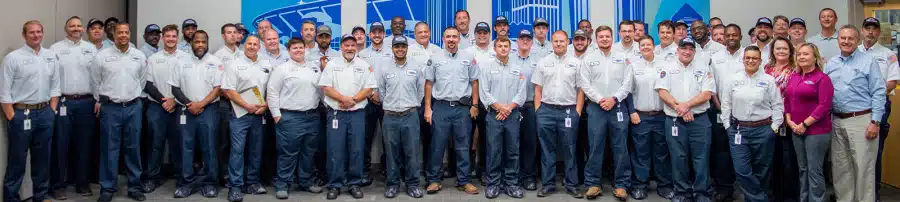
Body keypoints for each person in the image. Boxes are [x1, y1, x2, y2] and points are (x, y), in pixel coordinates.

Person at [826, 24, 886, 202]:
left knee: (864, 169)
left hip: (862, 121)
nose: (846, 41)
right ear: (838, 41)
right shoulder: (832, 63)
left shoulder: (868, 61)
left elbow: (879, 92)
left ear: (858, 40)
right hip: (837, 121)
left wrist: (875, 122)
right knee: (840, 169)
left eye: (850, 38)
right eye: (843, 38)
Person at [1, 20, 60, 202]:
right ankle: (11, 198)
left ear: (43, 33)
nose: (36, 35)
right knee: (17, 162)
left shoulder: (50, 56)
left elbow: (55, 87)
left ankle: (40, 196)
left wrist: (51, 111)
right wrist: (12, 115)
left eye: (39, 32)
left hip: (45, 114)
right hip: (21, 115)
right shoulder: (13, 58)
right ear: (24, 35)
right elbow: (4, 91)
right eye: (31, 32)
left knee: (42, 160)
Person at [91, 22, 148, 202]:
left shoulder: (138, 56)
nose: (123, 35)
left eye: (126, 32)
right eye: (119, 32)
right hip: (111, 108)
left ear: (129, 34)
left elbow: (142, 80)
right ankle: (107, 188)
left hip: (133, 107)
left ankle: (134, 187)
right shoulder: (102, 56)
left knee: (133, 148)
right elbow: (95, 82)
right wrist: (103, 100)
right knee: (109, 149)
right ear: (114, 35)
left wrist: (132, 96)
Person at [719, 46, 783, 202]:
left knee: (762, 170)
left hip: (763, 130)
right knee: (741, 170)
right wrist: (728, 126)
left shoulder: (768, 80)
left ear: (760, 61)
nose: (751, 61)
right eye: (748, 57)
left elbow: (777, 106)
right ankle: (761, 199)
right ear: (743, 59)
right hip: (738, 131)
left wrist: (774, 127)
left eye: (754, 58)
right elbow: (725, 105)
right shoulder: (732, 80)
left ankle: (753, 199)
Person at [655, 37, 716, 202]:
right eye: (684, 48)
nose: (687, 52)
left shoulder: (704, 68)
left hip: (700, 121)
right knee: (678, 157)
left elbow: (707, 93)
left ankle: (702, 193)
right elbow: (662, 91)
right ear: (678, 50)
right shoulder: (666, 68)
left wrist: (687, 105)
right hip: (675, 121)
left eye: (690, 49)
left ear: (695, 52)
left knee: (701, 158)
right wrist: (679, 108)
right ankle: (682, 192)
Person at [318, 34, 377, 200]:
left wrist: (354, 100)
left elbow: (369, 88)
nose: (350, 48)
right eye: (346, 45)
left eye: (352, 45)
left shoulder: (364, 65)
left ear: (356, 47)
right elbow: (326, 88)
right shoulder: (332, 64)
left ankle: (354, 183)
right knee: (335, 149)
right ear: (341, 47)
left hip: (357, 114)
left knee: (356, 149)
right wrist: (343, 99)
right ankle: (335, 185)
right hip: (336, 113)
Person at [423, 26, 480, 195]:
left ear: (459, 39)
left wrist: (475, 105)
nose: (451, 39)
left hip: (462, 108)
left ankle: (464, 180)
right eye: (448, 36)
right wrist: (427, 108)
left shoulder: (469, 58)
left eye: (454, 36)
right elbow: (428, 84)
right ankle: (434, 180)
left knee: (463, 146)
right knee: (437, 145)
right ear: (443, 39)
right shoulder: (435, 58)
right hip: (440, 107)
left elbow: (475, 82)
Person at [580, 24, 634, 200]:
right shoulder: (589, 59)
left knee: (620, 147)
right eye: (601, 36)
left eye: (607, 36)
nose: (604, 39)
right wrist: (600, 99)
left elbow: (628, 83)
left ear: (612, 38)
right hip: (597, 108)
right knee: (595, 146)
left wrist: (614, 99)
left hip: (617, 106)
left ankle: (621, 185)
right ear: (596, 39)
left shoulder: (623, 58)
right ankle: (593, 184)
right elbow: (585, 84)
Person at [267, 37, 325, 199]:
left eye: (301, 47)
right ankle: (283, 184)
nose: (298, 50)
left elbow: (321, 91)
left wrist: (330, 106)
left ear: (305, 49)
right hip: (290, 117)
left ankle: (305, 181)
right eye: (295, 48)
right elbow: (272, 92)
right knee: (288, 153)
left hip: (312, 117)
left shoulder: (313, 68)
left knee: (309, 152)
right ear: (289, 50)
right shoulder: (282, 69)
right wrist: (277, 115)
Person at [169, 30, 223, 198]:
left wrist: (201, 104)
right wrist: (189, 104)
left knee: (209, 147)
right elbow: (175, 88)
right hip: (187, 110)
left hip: (209, 110)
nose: (200, 45)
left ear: (207, 43)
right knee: (186, 147)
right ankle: (186, 183)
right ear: (191, 43)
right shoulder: (180, 61)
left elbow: (218, 88)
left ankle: (210, 183)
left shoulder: (215, 62)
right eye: (197, 42)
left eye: (203, 42)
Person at [49, 16, 98, 199]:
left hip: (86, 102)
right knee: (60, 144)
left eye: (78, 26)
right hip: (63, 102)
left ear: (83, 29)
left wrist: (98, 99)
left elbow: (97, 77)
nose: (76, 28)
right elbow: (51, 77)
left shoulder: (90, 49)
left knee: (84, 144)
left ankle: (82, 183)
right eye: (72, 26)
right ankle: (58, 185)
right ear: (66, 28)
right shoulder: (56, 49)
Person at [533, 30, 585, 199]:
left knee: (570, 149)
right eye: (555, 41)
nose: (559, 44)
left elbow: (580, 90)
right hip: (546, 111)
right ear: (552, 42)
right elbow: (537, 89)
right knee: (547, 150)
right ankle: (548, 185)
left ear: (567, 42)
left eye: (562, 41)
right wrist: (538, 111)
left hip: (569, 111)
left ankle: (571, 184)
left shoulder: (576, 63)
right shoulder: (543, 62)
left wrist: (577, 112)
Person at [374, 35, 426, 199]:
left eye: (403, 46)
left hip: (410, 115)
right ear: (393, 48)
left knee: (412, 153)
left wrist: (412, 104)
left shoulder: (416, 67)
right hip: (390, 117)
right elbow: (381, 91)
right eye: (397, 47)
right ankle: (393, 184)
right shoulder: (384, 68)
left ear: (407, 48)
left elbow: (421, 91)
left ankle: (413, 184)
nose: (400, 49)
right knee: (391, 153)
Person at [223, 35, 270, 202]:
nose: (251, 46)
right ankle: (235, 186)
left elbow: (269, 88)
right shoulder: (234, 64)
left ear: (259, 46)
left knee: (256, 149)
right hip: (239, 114)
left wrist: (265, 105)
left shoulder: (266, 64)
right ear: (244, 46)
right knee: (237, 150)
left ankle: (252, 182)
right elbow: (229, 90)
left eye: (255, 44)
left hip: (259, 114)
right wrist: (246, 105)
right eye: (249, 43)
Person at [627, 36, 674, 200]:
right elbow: (628, 91)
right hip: (641, 117)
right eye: (642, 45)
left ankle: (664, 185)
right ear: (639, 47)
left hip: (661, 116)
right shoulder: (633, 65)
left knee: (662, 153)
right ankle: (640, 186)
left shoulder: (665, 65)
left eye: (648, 44)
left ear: (654, 46)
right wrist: (632, 112)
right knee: (641, 153)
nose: (645, 47)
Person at [479, 37, 526, 199]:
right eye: (500, 46)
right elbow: (484, 92)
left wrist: (509, 108)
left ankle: (512, 184)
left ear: (510, 48)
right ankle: (493, 184)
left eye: (506, 46)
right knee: (494, 151)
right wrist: (499, 108)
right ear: (495, 48)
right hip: (494, 115)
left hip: (512, 115)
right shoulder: (486, 68)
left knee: (513, 151)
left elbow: (522, 93)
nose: (503, 48)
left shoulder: (517, 68)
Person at [785, 43, 834, 202]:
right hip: (795, 129)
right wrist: (789, 121)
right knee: (803, 169)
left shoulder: (822, 78)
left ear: (815, 57)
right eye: (799, 54)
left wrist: (805, 124)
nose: (802, 57)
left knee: (814, 170)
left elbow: (824, 106)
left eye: (806, 54)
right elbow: (787, 101)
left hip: (816, 132)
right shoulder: (794, 77)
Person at [141, 24, 184, 194]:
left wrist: (175, 100)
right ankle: (152, 178)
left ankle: (182, 178)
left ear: (177, 38)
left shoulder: (185, 58)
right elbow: (148, 84)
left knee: (179, 144)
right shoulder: (153, 59)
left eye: (174, 36)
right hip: (157, 107)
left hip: (179, 107)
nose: (171, 39)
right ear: (162, 38)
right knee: (155, 144)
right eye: (167, 36)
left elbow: (187, 84)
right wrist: (164, 100)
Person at [859, 18, 900, 198]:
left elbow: (891, 82)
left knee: (874, 152)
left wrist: (869, 96)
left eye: (874, 29)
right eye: (867, 28)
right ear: (861, 31)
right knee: (856, 151)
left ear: (878, 32)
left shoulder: (888, 54)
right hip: (855, 109)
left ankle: (872, 194)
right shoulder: (853, 51)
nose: (870, 32)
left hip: (879, 107)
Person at [709, 24, 744, 202]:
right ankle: (724, 188)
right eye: (728, 35)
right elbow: (712, 86)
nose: (730, 38)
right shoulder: (715, 58)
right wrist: (719, 106)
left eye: (734, 35)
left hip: (744, 113)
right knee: (721, 150)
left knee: (742, 150)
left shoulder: (748, 55)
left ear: (740, 36)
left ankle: (745, 186)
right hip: (720, 111)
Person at [764, 36, 801, 202]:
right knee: (772, 160)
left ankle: (790, 197)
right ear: (772, 51)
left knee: (789, 161)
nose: (781, 51)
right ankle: (774, 196)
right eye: (777, 48)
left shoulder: (796, 69)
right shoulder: (766, 69)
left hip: (789, 120)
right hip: (768, 120)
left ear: (790, 51)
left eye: (784, 48)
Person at [358, 21, 389, 185]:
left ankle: (387, 170)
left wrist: (382, 96)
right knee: (365, 138)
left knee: (388, 138)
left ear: (384, 34)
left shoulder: (392, 52)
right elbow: (359, 79)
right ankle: (364, 171)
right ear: (370, 35)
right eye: (374, 32)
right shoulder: (362, 54)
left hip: (387, 102)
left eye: (380, 32)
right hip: (367, 101)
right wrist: (371, 94)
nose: (377, 35)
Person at [512, 29, 540, 192]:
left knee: (530, 143)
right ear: (517, 41)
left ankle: (529, 177)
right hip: (512, 107)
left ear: (532, 41)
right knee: (512, 143)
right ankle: (513, 176)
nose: (525, 41)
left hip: (530, 106)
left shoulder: (538, 61)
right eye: (522, 38)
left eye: (528, 38)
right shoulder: (510, 59)